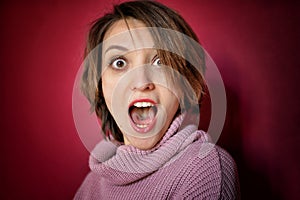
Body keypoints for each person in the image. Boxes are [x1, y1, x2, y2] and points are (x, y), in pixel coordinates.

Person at [75, 0, 240, 199]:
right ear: (100, 87)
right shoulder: (91, 185)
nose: (141, 81)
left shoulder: (204, 170)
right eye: (119, 63)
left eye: (159, 61)